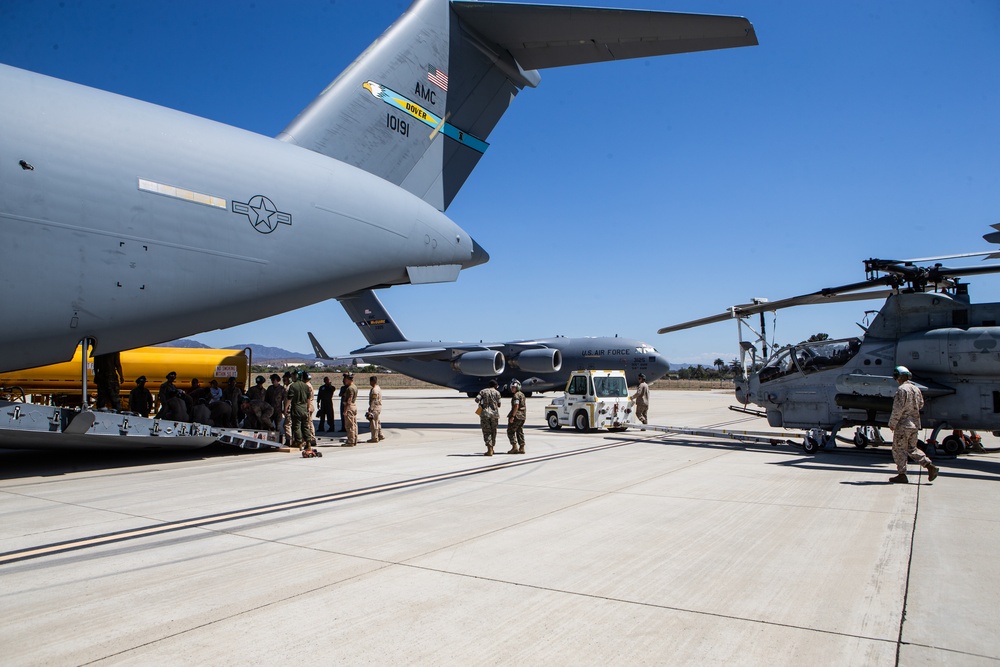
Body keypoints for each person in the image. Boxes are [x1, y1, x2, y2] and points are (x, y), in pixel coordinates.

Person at [887, 366, 939, 484]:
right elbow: (920, 404)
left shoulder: (901, 390)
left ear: (899, 376)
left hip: (903, 425)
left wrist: (892, 423)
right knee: (912, 448)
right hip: (914, 424)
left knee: (898, 449)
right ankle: (930, 466)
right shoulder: (916, 389)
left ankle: (902, 474)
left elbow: (897, 409)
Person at [287, 371, 314, 453]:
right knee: (305, 426)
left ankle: (299, 442)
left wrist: (285, 408)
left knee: (297, 426)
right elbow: (308, 398)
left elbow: (289, 398)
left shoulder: (293, 386)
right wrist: (308, 407)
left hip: (296, 408)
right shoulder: (306, 386)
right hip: (304, 408)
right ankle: (308, 443)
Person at [476, 379, 502, 456]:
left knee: (487, 431)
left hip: (485, 414)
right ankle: (492, 448)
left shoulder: (483, 391)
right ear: (495, 386)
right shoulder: (497, 393)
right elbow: (499, 404)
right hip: (494, 414)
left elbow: (477, 399)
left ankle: (489, 449)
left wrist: (483, 402)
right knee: (493, 431)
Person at [265, 374, 287, 444]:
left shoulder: (282, 389)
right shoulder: (270, 388)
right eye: (272, 380)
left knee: (278, 426)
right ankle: (269, 441)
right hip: (270, 410)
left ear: (277, 380)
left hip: (278, 410)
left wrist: (284, 409)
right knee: (269, 425)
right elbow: (266, 399)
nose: (272, 382)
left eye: (274, 380)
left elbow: (285, 400)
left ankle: (278, 441)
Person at [506, 379, 527, 454]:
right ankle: (522, 447)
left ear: (517, 387)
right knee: (519, 431)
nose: (512, 388)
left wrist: (512, 416)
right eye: (512, 387)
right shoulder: (522, 394)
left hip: (517, 416)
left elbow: (516, 406)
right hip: (523, 416)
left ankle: (514, 447)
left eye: (514, 387)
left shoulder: (516, 395)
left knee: (510, 431)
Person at [341, 372, 359, 446]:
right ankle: (354, 439)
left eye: (345, 379)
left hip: (349, 407)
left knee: (349, 425)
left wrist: (345, 410)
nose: (344, 380)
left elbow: (349, 400)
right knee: (354, 424)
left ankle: (350, 441)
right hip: (353, 406)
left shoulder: (350, 388)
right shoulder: (354, 386)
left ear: (348, 379)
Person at [366, 376, 384, 443]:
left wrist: (371, 409)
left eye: (370, 381)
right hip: (378, 407)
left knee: (374, 423)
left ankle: (374, 437)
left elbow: (374, 400)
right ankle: (380, 435)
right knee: (378, 421)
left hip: (375, 408)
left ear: (373, 381)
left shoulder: (374, 390)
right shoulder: (378, 388)